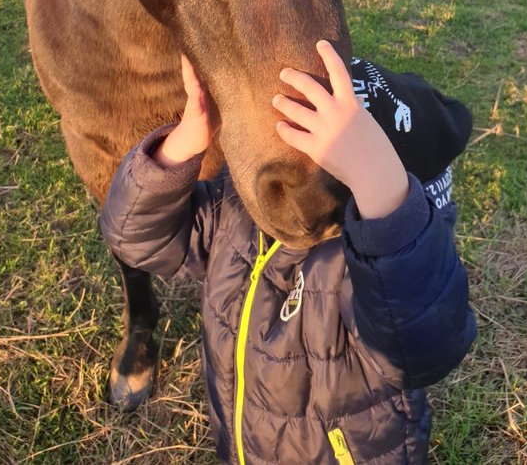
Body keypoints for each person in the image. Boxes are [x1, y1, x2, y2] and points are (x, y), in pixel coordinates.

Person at [100, 40, 476, 464]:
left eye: (330, 157)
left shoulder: (368, 270)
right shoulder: (242, 214)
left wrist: (382, 189)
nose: (291, 163)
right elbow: (133, 236)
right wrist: (188, 138)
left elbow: (426, 346)